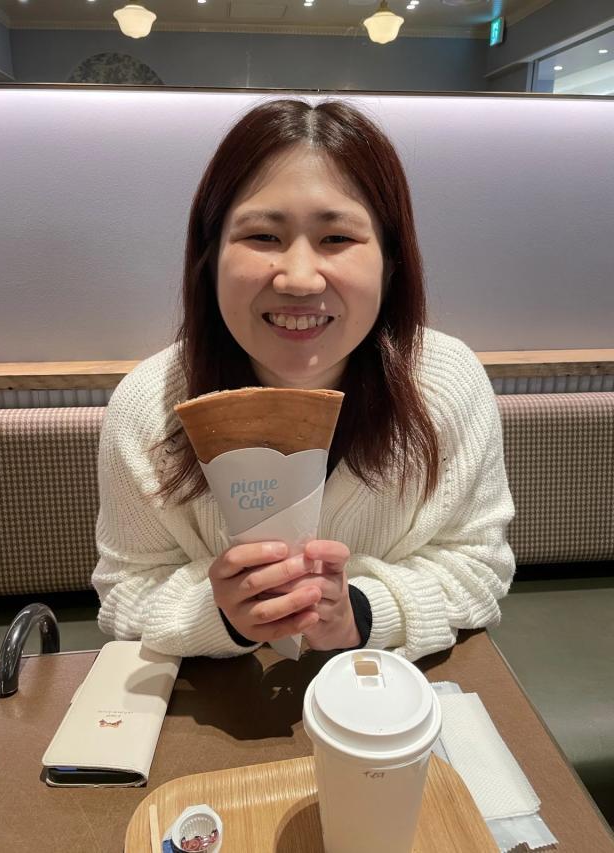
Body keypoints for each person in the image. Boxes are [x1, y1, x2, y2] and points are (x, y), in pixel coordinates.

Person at [91, 97, 516, 661]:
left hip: (387, 690)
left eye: (336, 239)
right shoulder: (148, 405)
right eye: (263, 237)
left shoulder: (446, 383)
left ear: (391, 261)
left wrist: (360, 612)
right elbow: (125, 590)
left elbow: (479, 565)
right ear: (210, 256)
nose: (298, 279)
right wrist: (221, 615)